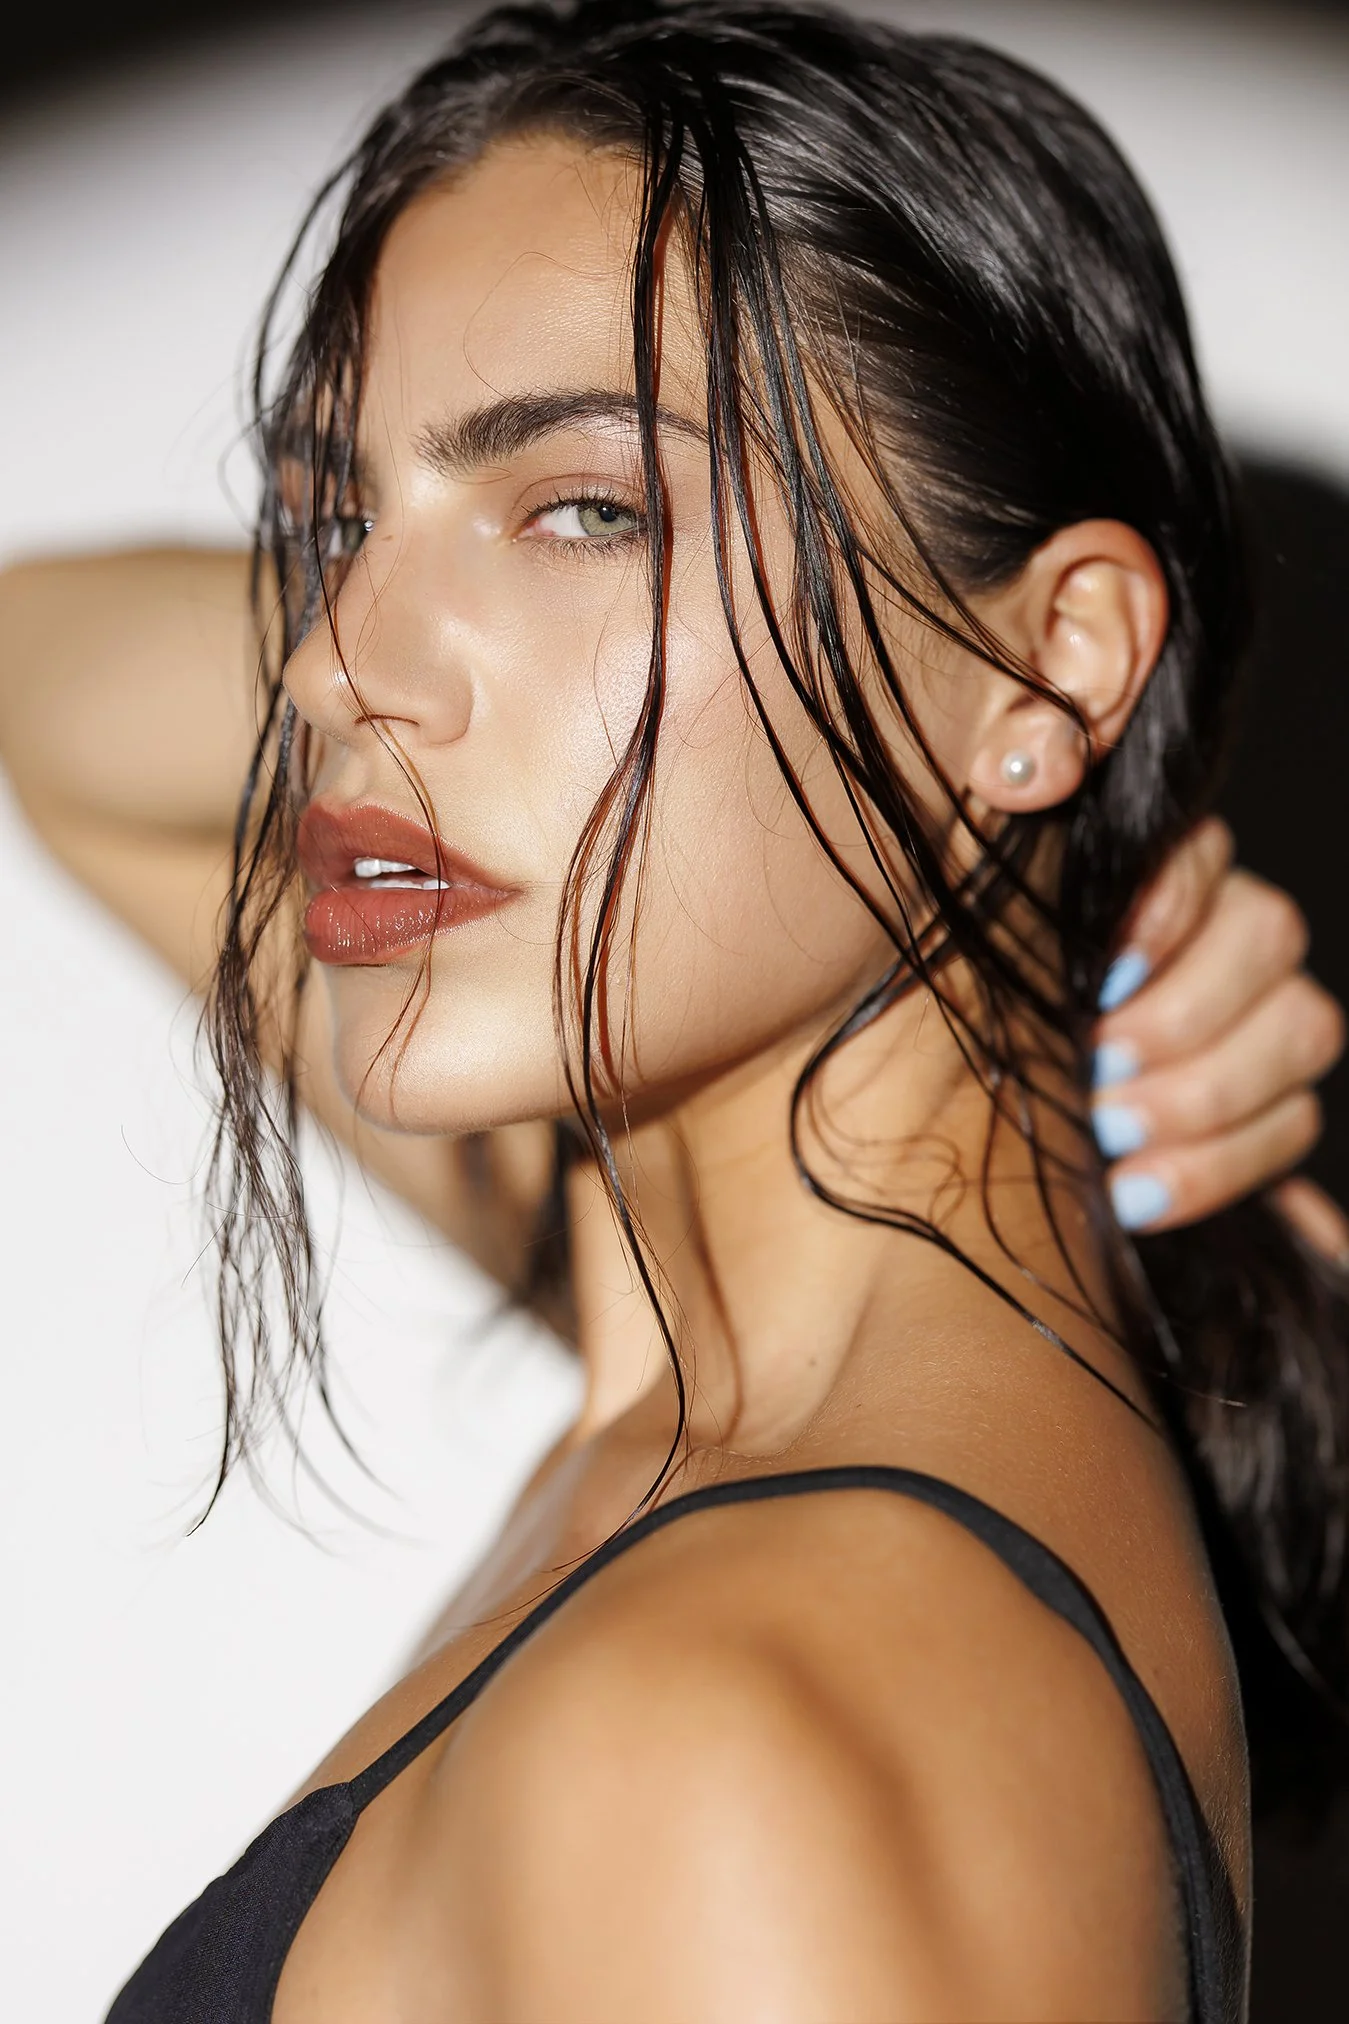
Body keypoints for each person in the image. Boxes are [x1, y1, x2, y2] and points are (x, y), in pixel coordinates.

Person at [1, 2, 1347, 2017]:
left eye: (587, 510)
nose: (331, 668)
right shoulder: (702, 1360)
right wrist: (1088, 902)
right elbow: (46, 688)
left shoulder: (737, 1728)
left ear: (1052, 663)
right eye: (335, 518)